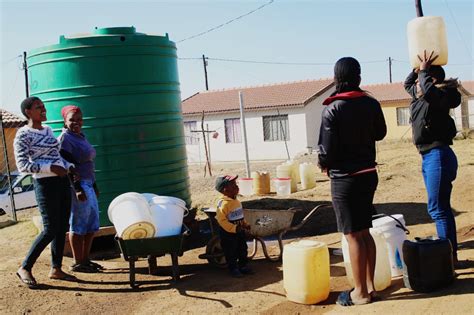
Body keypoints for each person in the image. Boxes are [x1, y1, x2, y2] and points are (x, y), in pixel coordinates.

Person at [318, 57, 387, 306]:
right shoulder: (371, 103)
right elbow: (380, 133)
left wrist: (323, 164)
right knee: (365, 231)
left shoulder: (332, 108)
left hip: (344, 179)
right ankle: (370, 287)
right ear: (359, 76)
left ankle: (359, 293)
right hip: (369, 174)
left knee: (353, 235)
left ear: (336, 78)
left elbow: (326, 152)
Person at [404, 50, 461, 265]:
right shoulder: (421, 95)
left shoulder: (441, 96)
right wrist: (417, 69)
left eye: (423, 79)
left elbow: (427, 90)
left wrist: (424, 72)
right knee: (441, 208)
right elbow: (408, 84)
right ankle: (451, 256)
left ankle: (449, 258)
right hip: (429, 156)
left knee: (438, 209)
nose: (417, 84)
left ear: (432, 79)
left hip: (438, 155)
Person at [14, 96, 77, 288]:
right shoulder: (23, 135)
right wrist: (51, 168)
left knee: (62, 227)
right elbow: (23, 165)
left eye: (43, 106)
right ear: (28, 112)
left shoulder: (48, 131)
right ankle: (25, 267)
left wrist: (69, 166)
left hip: (61, 181)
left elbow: (55, 156)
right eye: (38, 107)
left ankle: (56, 269)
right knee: (50, 228)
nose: (43, 109)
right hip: (45, 185)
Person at [58, 105, 103, 273]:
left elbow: (88, 164)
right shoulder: (65, 139)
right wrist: (77, 188)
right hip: (78, 186)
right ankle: (78, 262)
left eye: (79, 120)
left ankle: (86, 259)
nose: (76, 123)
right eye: (72, 120)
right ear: (64, 121)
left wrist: (94, 185)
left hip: (89, 183)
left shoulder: (80, 136)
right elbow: (66, 165)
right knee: (79, 225)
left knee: (92, 225)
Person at [215, 175, 254, 278]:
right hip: (228, 233)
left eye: (236, 184)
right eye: (233, 185)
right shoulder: (223, 204)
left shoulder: (236, 201)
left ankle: (243, 266)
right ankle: (233, 269)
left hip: (239, 230)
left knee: (242, 248)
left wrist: (245, 224)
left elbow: (240, 215)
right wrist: (234, 228)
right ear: (225, 190)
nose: (236, 187)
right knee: (230, 251)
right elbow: (222, 220)